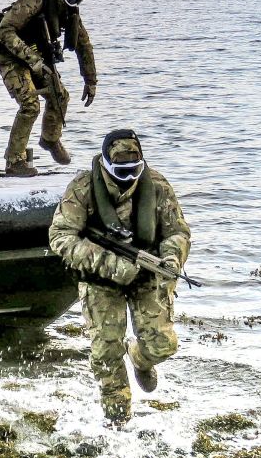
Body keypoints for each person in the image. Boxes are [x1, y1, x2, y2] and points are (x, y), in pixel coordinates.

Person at [48, 129, 191, 425]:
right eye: (120, 171)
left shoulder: (158, 185)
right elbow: (61, 236)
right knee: (106, 354)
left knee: (163, 344)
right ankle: (117, 423)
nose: (128, 177)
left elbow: (177, 231)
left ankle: (139, 358)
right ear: (105, 164)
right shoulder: (82, 187)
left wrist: (171, 257)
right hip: (101, 279)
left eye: (134, 170)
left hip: (146, 275)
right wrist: (110, 264)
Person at [0, 0, 97, 176]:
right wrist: (32, 60)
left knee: (59, 95)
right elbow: (5, 31)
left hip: (37, 54)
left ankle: (50, 139)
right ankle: (14, 160)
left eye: (80, 0)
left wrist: (90, 80)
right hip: (9, 54)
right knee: (30, 104)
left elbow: (83, 44)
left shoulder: (70, 11)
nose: (75, 3)